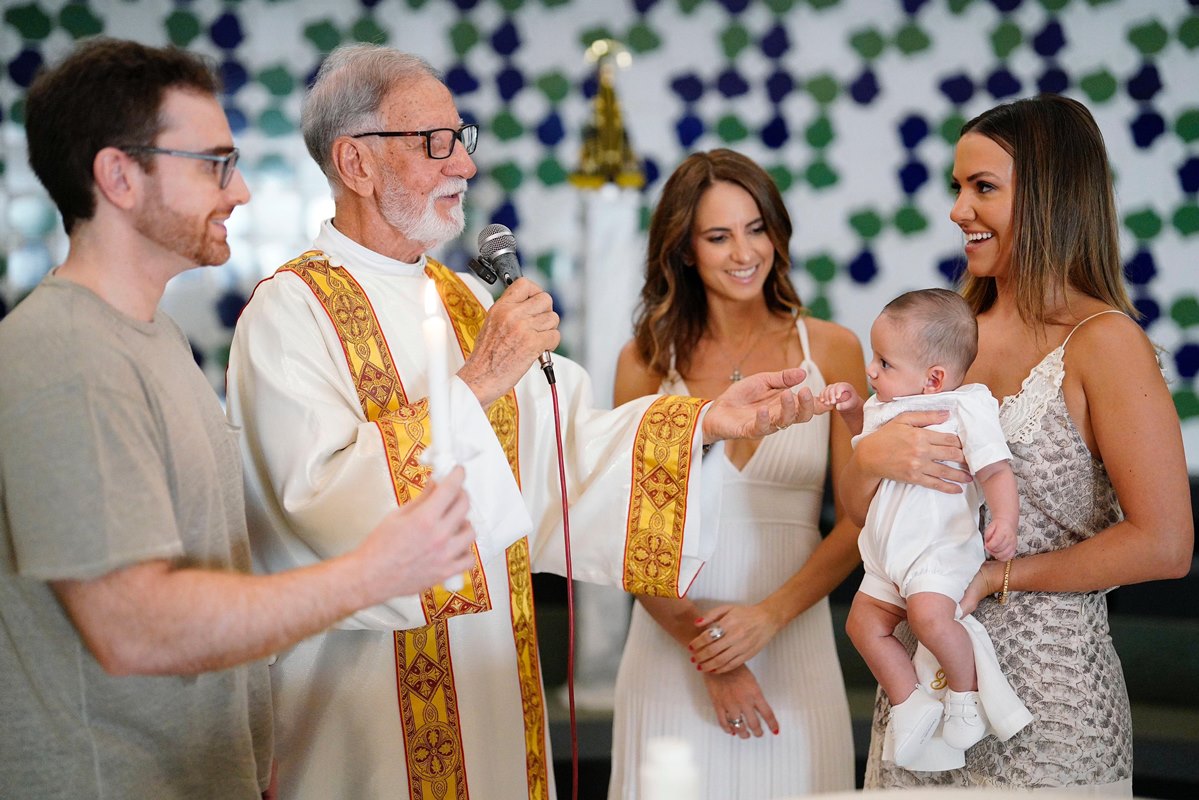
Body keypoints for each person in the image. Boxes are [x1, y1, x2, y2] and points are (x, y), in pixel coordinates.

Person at [224, 47, 814, 800]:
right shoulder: (291, 311)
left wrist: (703, 423)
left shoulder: (470, 300)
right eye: (433, 144)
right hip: (363, 709)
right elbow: (315, 505)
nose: (462, 167)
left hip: (494, 684)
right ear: (355, 162)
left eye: (459, 139)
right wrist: (478, 381)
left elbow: (565, 455)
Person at [0, 38, 478, 800]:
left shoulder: (154, 338)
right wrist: (373, 572)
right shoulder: (64, 354)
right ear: (119, 176)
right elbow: (135, 626)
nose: (243, 191)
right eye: (215, 164)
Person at [844, 94, 1194, 793]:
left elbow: (1164, 544)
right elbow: (866, 515)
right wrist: (868, 457)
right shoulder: (946, 334)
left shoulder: (1102, 343)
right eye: (957, 187)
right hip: (922, 695)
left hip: (1049, 704)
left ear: (1049, 198)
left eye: (981, 189)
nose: (956, 211)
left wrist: (1000, 576)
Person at [606, 149, 864, 799]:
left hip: (793, 639)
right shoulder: (643, 363)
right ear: (684, 250)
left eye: (756, 229)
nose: (744, 251)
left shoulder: (831, 350)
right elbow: (631, 532)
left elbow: (862, 515)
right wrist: (711, 655)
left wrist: (769, 617)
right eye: (717, 236)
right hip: (669, 652)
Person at [818, 288, 1029, 771]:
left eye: (884, 362)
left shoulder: (966, 407)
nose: (871, 370)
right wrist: (851, 408)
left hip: (937, 551)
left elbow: (995, 469)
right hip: (887, 557)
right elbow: (862, 446)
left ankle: (964, 692)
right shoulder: (885, 403)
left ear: (933, 378)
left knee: (931, 619)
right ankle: (909, 701)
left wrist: (1005, 519)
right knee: (861, 624)